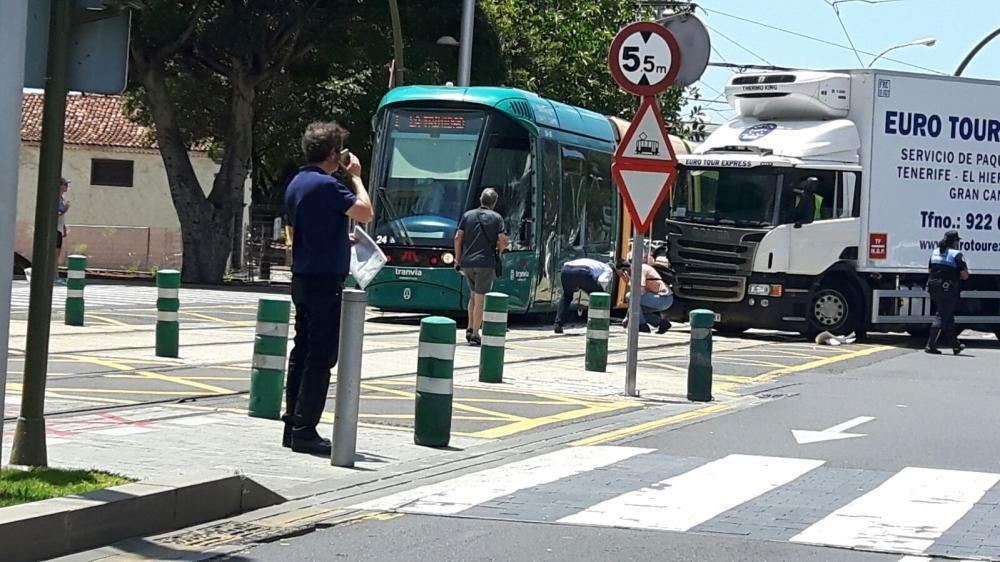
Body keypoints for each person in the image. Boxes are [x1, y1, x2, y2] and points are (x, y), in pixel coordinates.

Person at [283, 122, 373, 455]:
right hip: (325, 280)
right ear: (334, 155)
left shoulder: (297, 183)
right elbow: (365, 211)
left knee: (302, 351)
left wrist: (337, 236)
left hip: (303, 275)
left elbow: (305, 228)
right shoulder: (327, 185)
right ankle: (306, 430)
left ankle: (293, 424)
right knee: (321, 356)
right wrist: (357, 177)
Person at [454, 188, 508, 346]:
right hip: (485, 263)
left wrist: (458, 259)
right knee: (480, 299)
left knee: (473, 296)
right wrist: (501, 250)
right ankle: (476, 334)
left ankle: (470, 327)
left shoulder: (468, 215)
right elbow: (503, 240)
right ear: (494, 202)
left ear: (480, 199)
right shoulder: (497, 218)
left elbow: (458, 237)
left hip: (467, 262)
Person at [925, 230, 968, 355]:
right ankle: (930, 345)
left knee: (948, 317)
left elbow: (929, 269)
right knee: (941, 316)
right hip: (947, 288)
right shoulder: (956, 254)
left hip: (933, 286)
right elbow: (964, 275)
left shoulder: (935, 252)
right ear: (954, 242)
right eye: (957, 241)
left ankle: (955, 345)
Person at [554, 258, 614, 333]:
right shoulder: (609, 269)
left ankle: (558, 324)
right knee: (599, 296)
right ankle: (598, 323)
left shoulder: (596, 263)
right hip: (583, 272)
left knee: (566, 297)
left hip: (566, 270)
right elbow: (602, 281)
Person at [615, 257, 673, 333]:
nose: (622, 277)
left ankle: (642, 326)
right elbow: (635, 302)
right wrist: (627, 316)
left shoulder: (640, 270)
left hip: (663, 299)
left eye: (621, 275)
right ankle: (662, 323)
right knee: (638, 311)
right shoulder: (635, 272)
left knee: (629, 296)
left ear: (625, 270)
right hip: (659, 299)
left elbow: (639, 291)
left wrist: (629, 281)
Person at [55, 178, 70, 285]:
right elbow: (58, 213)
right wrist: (66, 208)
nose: (67, 187)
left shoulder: (61, 198)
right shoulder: (56, 199)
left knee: (57, 254)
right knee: (55, 255)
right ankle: (55, 277)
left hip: (59, 229)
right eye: (65, 184)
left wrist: (63, 227)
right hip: (55, 230)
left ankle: (55, 276)